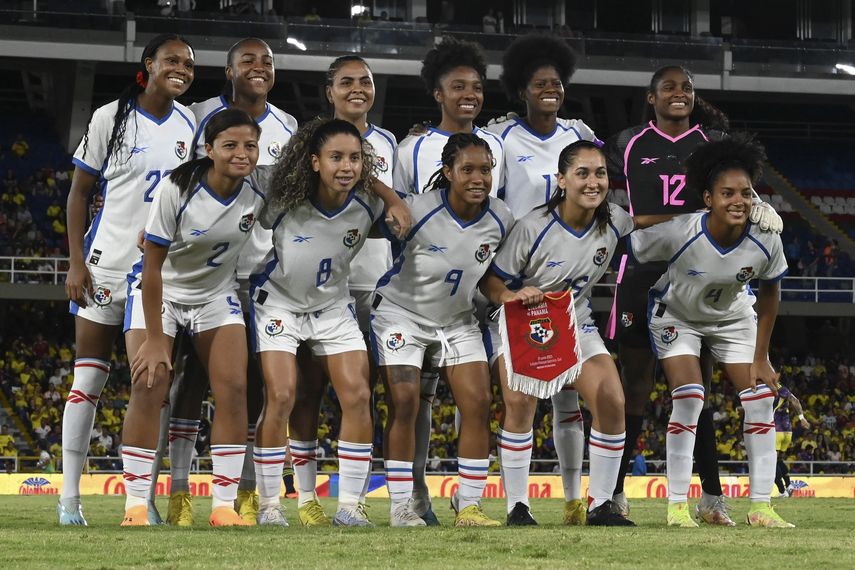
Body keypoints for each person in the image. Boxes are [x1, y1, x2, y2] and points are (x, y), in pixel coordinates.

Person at [606, 65, 781, 525]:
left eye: (687, 87)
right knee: (635, 389)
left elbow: (734, 193)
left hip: (700, 278)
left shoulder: (712, 143)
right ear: (651, 97)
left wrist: (757, 204)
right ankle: (615, 492)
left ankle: (710, 497)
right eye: (669, 87)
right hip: (641, 272)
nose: (679, 94)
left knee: (695, 393)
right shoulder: (627, 143)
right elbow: (598, 188)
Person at [58, 33, 196, 527]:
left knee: (151, 383)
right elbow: (78, 195)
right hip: (103, 265)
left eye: (188, 63)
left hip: (154, 275)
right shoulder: (108, 118)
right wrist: (76, 262)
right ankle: (68, 497)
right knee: (87, 380)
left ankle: (141, 499)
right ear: (149, 64)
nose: (181, 68)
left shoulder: (191, 124)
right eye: (172, 60)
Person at [162, 37, 298, 527]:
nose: (258, 67)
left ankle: (242, 492)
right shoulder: (195, 114)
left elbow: (285, 203)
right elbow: (172, 180)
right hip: (197, 272)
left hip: (258, 272)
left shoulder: (289, 127)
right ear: (228, 69)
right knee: (187, 381)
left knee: (248, 387)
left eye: (267, 60)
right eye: (247, 60)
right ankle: (178, 490)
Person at [249, 118, 402, 527]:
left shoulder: (369, 204)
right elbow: (238, 183)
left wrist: (394, 198)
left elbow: (404, 211)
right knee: (280, 396)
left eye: (355, 158)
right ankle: (269, 507)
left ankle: (351, 507)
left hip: (333, 307)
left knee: (357, 394)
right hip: (278, 304)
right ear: (315, 162)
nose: (346, 166)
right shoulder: (281, 196)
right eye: (336, 157)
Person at [480, 140, 635, 526]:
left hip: (574, 319)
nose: (593, 182)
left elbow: (653, 224)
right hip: (519, 322)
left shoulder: (616, 219)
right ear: (562, 180)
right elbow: (490, 281)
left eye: (599, 173)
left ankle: (601, 505)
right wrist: (514, 296)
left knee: (612, 400)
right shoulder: (533, 226)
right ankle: (518, 506)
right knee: (521, 403)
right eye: (582, 173)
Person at [122, 108, 265, 527]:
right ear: (209, 149)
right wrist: (153, 338)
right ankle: (134, 505)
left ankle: (222, 506)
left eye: (250, 146)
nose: (242, 154)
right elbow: (151, 267)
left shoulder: (258, 192)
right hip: (160, 290)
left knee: (235, 389)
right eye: (231, 145)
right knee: (150, 382)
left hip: (215, 295)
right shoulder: (177, 188)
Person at [484, 33, 601, 525]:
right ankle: (516, 502)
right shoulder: (501, 138)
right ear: (521, 90)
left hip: (566, 285)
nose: (549, 89)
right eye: (539, 83)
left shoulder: (580, 133)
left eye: (556, 82)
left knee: (570, 396)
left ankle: (575, 498)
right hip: (516, 281)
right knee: (521, 395)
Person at [373, 133, 514, 527]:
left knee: (479, 403)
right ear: (448, 172)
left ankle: (468, 505)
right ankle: (402, 506)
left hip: (457, 321)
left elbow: (488, 277)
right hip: (401, 316)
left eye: (485, 170)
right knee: (404, 402)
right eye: (467, 169)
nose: (478, 178)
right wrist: (387, 199)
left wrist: (506, 295)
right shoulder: (416, 209)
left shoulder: (502, 218)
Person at [391, 35, 504, 524]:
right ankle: (412, 499)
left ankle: (469, 498)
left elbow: (503, 214)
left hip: (470, 287)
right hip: (412, 288)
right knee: (413, 401)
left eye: (476, 86)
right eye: (457, 86)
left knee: (473, 399)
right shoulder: (412, 146)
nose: (469, 94)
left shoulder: (496, 143)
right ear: (438, 93)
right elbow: (398, 211)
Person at [284, 55, 398, 526]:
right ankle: (305, 496)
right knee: (307, 392)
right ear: (328, 91)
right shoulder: (308, 142)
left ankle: (358, 501)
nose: (357, 89)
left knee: (364, 395)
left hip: (375, 282)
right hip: (316, 287)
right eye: (346, 82)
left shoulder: (390, 142)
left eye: (365, 82)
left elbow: (397, 215)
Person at [773, 384, 809, 497]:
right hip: (787, 431)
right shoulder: (785, 391)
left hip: (776, 430)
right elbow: (795, 401)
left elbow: (795, 401)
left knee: (771, 462)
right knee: (779, 460)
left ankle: (782, 491)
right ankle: (789, 486)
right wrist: (802, 418)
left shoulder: (773, 389)